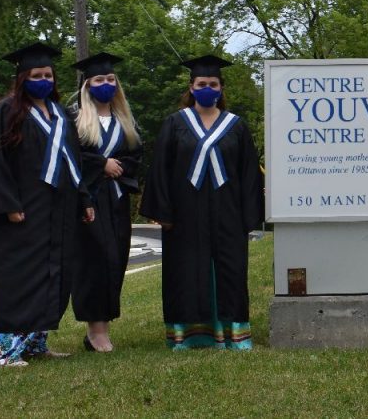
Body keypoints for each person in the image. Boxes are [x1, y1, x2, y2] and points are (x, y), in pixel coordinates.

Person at [0, 42, 95, 366]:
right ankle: (3, 351)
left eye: (48, 75)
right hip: (23, 208)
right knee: (20, 276)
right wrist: (8, 204)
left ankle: (35, 344)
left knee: (52, 272)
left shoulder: (62, 115)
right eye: (37, 74)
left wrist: (83, 198)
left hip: (59, 208)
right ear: (22, 77)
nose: (44, 80)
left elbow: (73, 162)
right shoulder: (8, 111)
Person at [140, 55, 263, 350]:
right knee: (185, 270)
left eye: (213, 84)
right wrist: (163, 212)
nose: (207, 88)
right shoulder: (175, 123)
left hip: (228, 212)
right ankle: (187, 335)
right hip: (185, 213)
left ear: (221, 88)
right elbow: (160, 169)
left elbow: (249, 174)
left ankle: (233, 334)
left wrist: (249, 217)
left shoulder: (236, 126)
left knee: (229, 271)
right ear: (191, 88)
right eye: (201, 84)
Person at [71, 52, 143, 352]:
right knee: (93, 262)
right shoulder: (75, 119)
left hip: (116, 200)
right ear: (87, 85)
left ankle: (103, 327)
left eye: (110, 79)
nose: (106, 84)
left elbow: (136, 157)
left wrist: (119, 168)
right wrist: (101, 165)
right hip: (89, 199)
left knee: (115, 260)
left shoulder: (125, 120)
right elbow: (72, 157)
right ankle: (95, 329)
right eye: (99, 80)